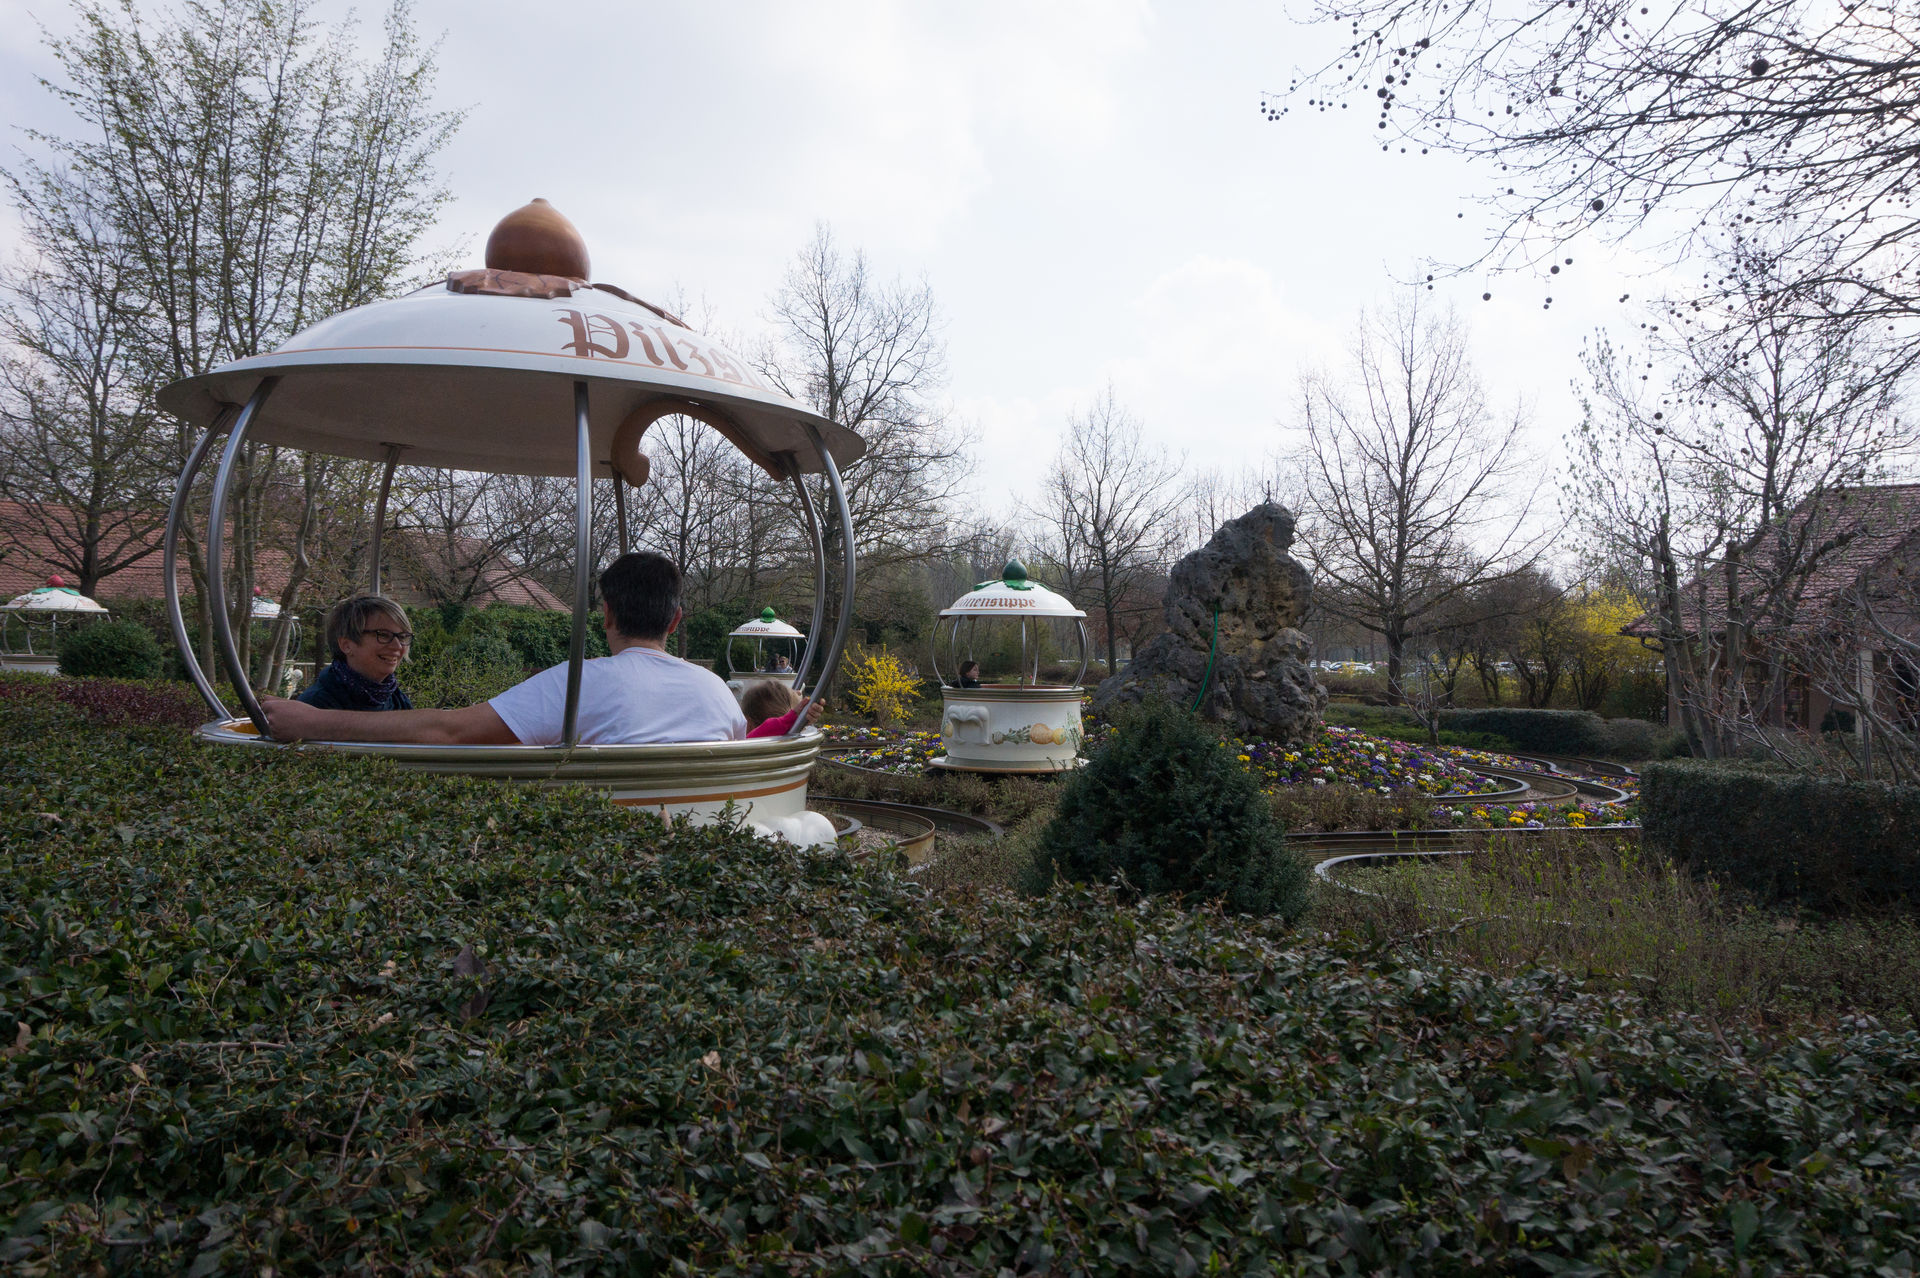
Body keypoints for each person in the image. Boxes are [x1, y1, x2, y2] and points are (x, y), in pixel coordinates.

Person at [261, 552, 745, 746]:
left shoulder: (578, 684)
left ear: (607, 615)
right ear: (676, 620)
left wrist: (311, 722)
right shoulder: (719, 692)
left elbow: (451, 732)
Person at [294, 594, 416, 711]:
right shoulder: (316, 706)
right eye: (383, 635)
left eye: (402, 637)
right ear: (346, 645)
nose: (397, 646)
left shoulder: (398, 701)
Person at [739, 679, 823, 738]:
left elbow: (761, 733)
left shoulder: (746, 749)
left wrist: (791, 718)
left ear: (748, 723)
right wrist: (797, 720)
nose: (798, 692)